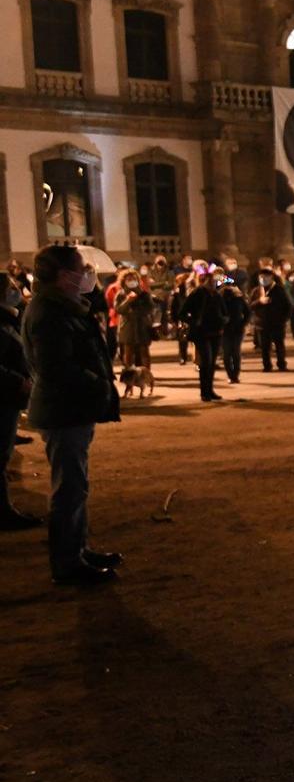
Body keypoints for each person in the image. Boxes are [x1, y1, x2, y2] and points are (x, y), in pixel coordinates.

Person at [22, 245, 121, 584]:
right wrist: (96, 384)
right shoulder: (50, 312)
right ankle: (68, 563)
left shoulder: (61, 306)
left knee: (75, 485)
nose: (86, 275)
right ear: (65, 276)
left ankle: (78, 549)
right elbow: (57, 368)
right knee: (69, 488)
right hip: (64, 410)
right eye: (81, 269)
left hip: (70, 408)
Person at [0, 273, 38, 528]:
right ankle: (4, 513)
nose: (17, 291)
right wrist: (18, 381)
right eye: (12, 288)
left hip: (9, 398)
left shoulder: (8, 319)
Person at [180, 269, 226, 403]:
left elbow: (224, 311)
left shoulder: (217, 295)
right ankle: (204, 392)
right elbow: (182, 312)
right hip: (201, 333)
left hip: (216, 332)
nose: (214, 283)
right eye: (212, 280)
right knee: (206, 362)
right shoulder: (198, 293)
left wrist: (224, 320)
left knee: (211, 363)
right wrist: (194, 322)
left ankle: (210, 390)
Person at [252, 269, 291, 371]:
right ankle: (267, 365)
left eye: (265, 277)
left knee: (279, 345)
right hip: (262, 324)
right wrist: (259, 301)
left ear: (271, 278)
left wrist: (283, 319)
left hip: (277, 323)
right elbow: (250, 305)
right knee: (264, 347)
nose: (263, 279)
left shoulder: (279, 290)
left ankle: (282, 364)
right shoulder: (257, 291)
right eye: (261, 277)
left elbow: (288, 306)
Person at [219, 275, 250, 384]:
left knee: (235, 352)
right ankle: (230, 375)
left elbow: (247, 312)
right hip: (225, 329)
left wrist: (243, 323)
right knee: (227, 353)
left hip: (237, 328)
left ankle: (235, 375)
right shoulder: (219, 298)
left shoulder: (239, 298)